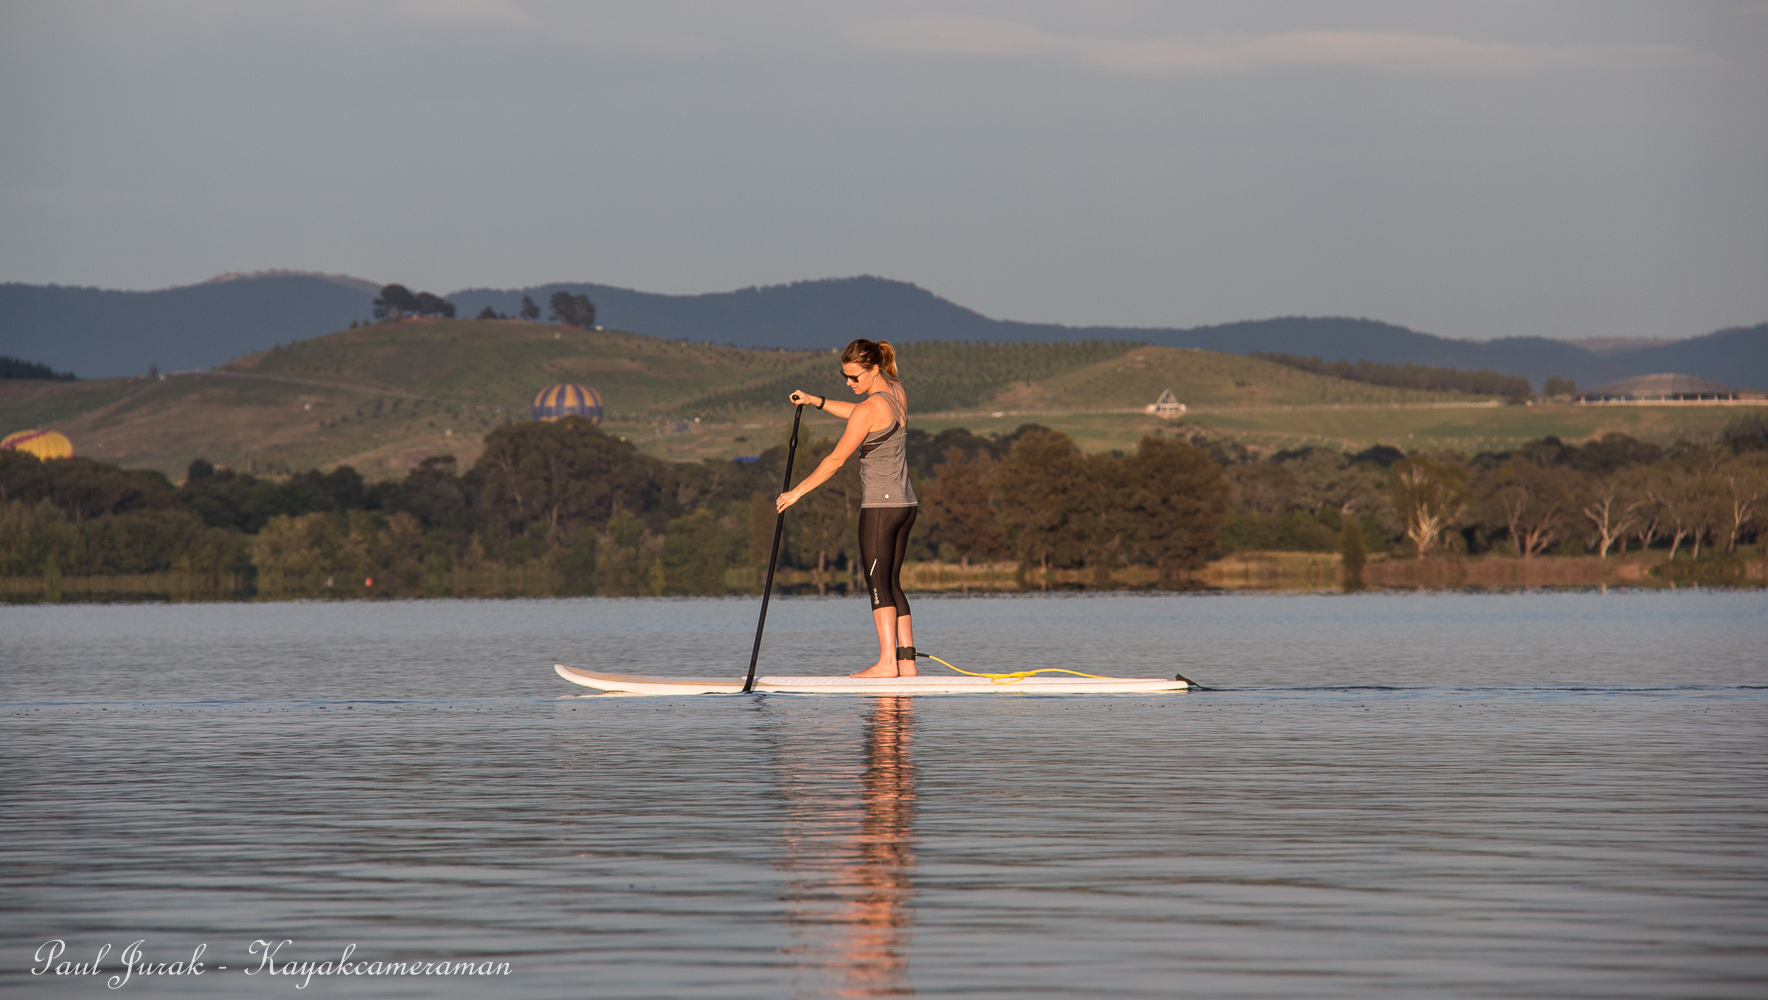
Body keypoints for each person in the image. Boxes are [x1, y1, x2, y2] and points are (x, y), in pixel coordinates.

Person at [778, 339, 919, 678]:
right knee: (892, 582)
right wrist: (817, 401)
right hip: (905, 505)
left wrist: (797, 492)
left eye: (855, 377)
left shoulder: (869, 409)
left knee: (877, 582)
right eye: (845, 376)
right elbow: (858, 413)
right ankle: (906, 663)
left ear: (874, 369)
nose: (849, 383)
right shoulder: (896, 391)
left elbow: (835, 460)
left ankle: (887, 664)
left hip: (881, 507)